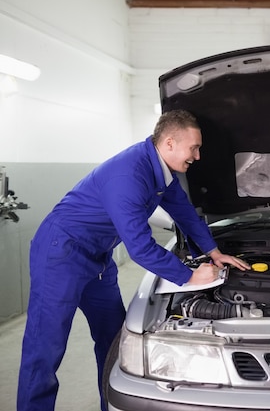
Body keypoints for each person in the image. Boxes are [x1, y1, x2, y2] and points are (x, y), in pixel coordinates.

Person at [17, 109, 250, 411]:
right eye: (194, 147)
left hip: (98, 257)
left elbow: (184, 212)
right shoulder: (129, 175)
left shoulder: (161, 172)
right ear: (169, 143)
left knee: (114, 341)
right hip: (60, 254)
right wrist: (190, 277)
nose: (198, 155)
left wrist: (213, 252)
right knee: (45, 347)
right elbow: (140, 248)